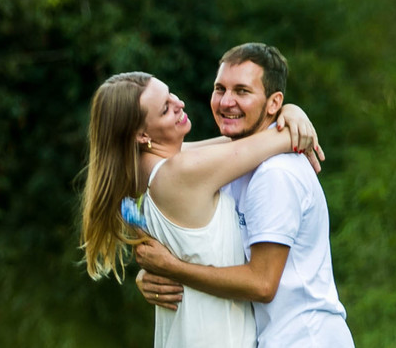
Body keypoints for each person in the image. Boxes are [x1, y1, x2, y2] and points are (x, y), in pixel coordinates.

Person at [79, 70, 322, 348]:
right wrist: (291, 114)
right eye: (166, 109)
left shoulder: (138, 178)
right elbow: (284, 137)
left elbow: (239, 141)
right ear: (142, 134)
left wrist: (287, 109)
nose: (179, 103)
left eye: (171, 94)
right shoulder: (181, 172)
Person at [135, 43, 354, 348]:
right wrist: (149, 275)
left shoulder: (274, 174)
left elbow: (262, 284)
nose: (226, 102)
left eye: (242, 91)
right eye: (220, 88)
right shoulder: (234, 162)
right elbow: (165, 160)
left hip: (305, 337)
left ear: (273, 102)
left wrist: (172, 268)